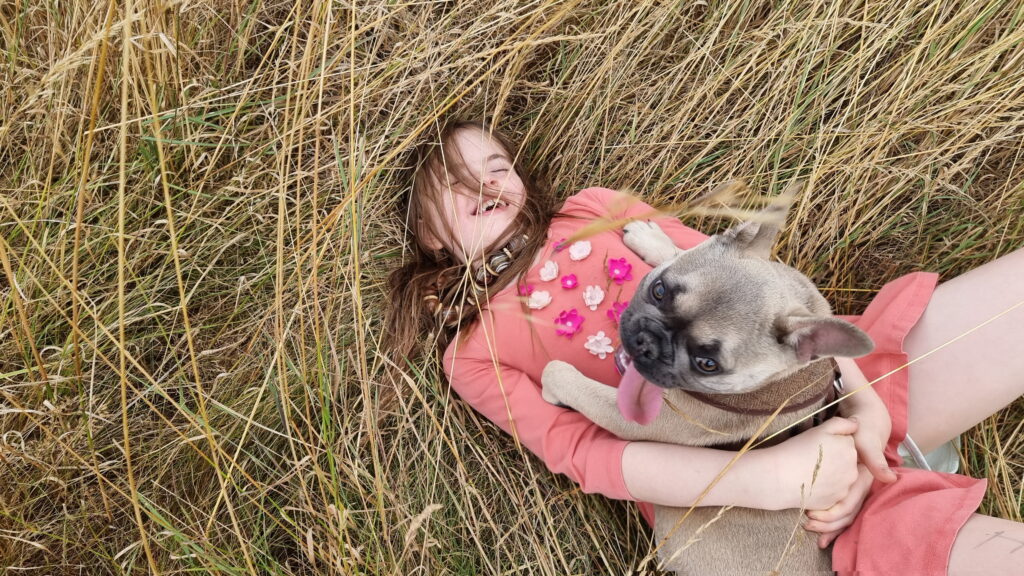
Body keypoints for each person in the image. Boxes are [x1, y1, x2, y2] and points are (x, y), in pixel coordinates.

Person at [386, 119, 1024, 575]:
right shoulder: (472, 353)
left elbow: (756, 281)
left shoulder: (592, 209)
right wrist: (767, 479)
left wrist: (864, 406)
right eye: (458, 184)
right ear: (425, 232)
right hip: (758, 512)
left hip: (824, 380)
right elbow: (586, 456)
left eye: (496, 167)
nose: (486, 185)